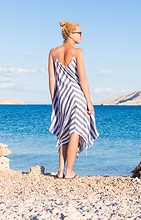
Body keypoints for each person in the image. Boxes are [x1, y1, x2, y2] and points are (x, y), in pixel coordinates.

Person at [48, 20, 99, 179]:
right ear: (70, 34)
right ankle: (69, 171)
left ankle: (60, 171)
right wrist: (89, 101)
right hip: (77, 96)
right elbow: (82, 78)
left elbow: (52, 80)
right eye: (79, 33)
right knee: (75, 132)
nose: (82, 36)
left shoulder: (53, 52)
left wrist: (54, 101)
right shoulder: (78, 52)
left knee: (63, 131)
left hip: (61, 97)